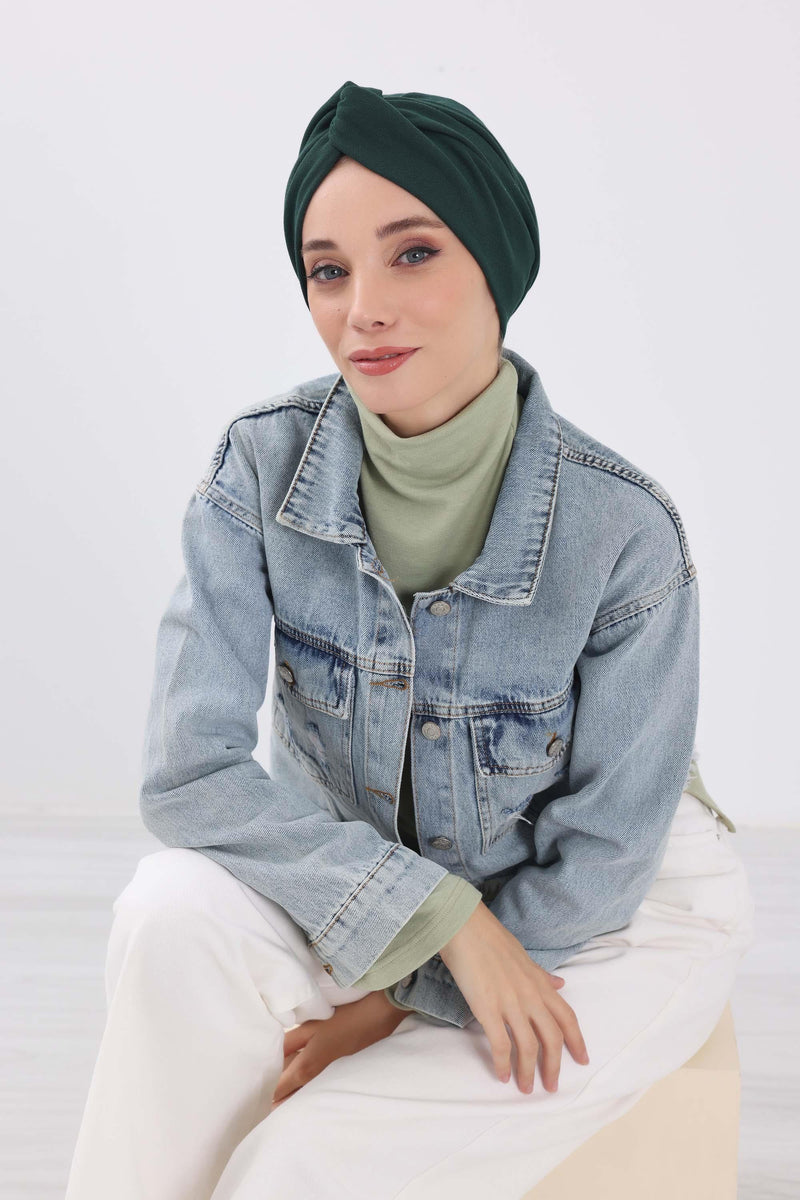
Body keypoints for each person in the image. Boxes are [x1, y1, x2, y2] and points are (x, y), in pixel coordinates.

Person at [64, 81, 755, 1200]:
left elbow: (605, 852)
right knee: (165, 912)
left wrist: (400, 998)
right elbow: (189, 774)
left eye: (413, 254)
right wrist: (436, 921)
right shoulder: (259, 470)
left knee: (301, 1161)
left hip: (604, 916)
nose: (363, 310)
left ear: (496, 267)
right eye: (328, 270)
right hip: (371, 875)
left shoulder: (622, 529)